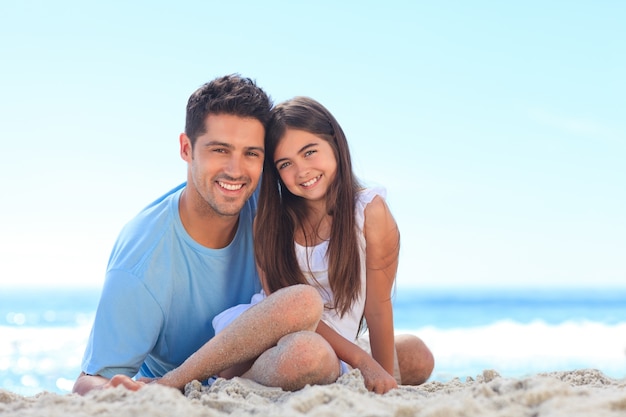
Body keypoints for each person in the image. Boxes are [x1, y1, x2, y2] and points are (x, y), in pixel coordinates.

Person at [72, 76, 339, 395]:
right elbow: (89, 381)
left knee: (411, 355)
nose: (236, 170)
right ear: (187, 148)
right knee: (308, 354)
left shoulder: (270, 203)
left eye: (251, 154)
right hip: (194, 387)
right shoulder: (143, 259)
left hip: (271, 355)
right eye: (220, 150)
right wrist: (124, 394)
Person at [158, 96, 434, 394]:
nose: (302, 171)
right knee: (305, 320)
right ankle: (182, 380)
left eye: (310, 152)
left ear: (336, 145)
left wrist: (382, 377)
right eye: (285, 164)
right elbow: (286, 305)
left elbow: (378, 307)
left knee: (418, 355)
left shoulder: (370, 211)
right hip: (276, 338)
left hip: (337, 348)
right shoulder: (271, 222)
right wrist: (363, 362)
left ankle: (316, 368)